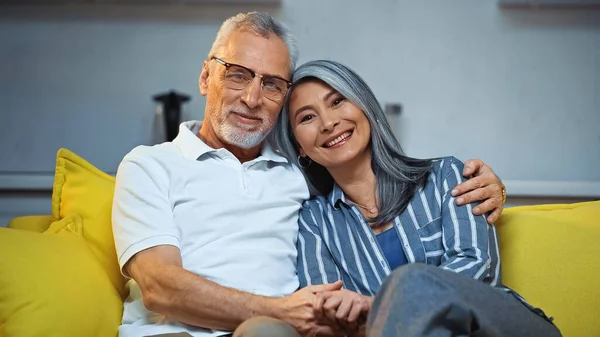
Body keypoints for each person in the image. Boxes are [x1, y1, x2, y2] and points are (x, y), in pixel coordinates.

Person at [112, 12, 507, 337]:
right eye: (237, 74)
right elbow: (159, 286)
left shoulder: (298, 177)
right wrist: (282, 312)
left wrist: (490, 187)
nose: (251, 98)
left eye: (271, 84)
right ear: (205, 78)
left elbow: (473, 262)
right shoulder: (149, 165)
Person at [268, 59, 562, 337]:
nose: (328, 123)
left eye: (337, 101)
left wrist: (384, 306)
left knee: (411, 280)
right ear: (300, 147)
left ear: (365, 108)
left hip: (495, 328)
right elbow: (327, 314)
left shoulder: (446, 175)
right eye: (307, 117)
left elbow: (477, 266)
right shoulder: (313, 223)